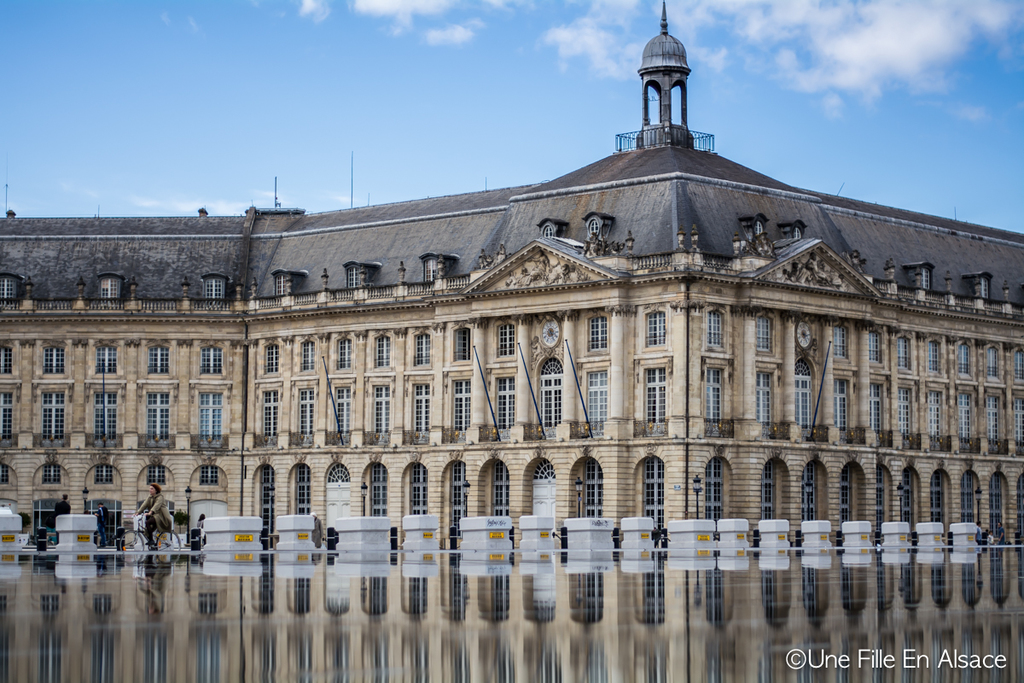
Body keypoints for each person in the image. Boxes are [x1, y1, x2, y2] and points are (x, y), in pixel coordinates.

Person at [138, 483, 173, 549]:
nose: (150, 490)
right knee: (147, 524)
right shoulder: (150, 497)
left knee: (148, 522)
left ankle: (151, 540)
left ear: (156, 490)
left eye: (152, 489)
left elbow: (156, 506)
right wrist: (137, 512)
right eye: (149, 488)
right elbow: (144, 505)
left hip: (161, 516)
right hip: (155, 515)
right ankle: (152, 543)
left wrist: (150, 512)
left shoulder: (160, 497)